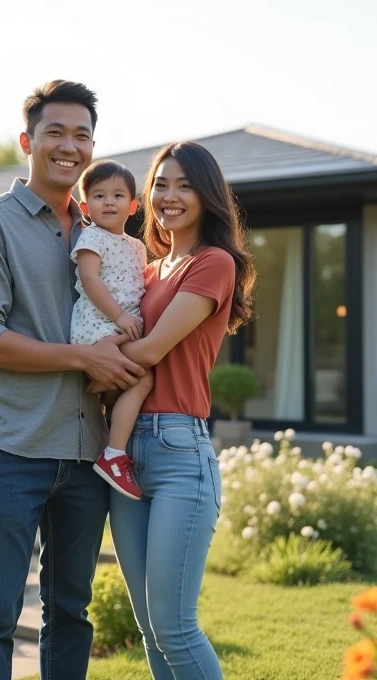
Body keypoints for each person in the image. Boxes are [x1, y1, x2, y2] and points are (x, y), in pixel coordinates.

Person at [0, 80, 144, 680]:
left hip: (87, 454)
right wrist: (82, 359)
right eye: (55, 132)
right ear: (27, 140)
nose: (69, 145)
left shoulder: (105, 230)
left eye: (82, 134)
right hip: (11, 448)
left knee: (70, 612)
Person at [106, 141, 257, 679]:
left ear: (207, 194)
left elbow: (148, 351)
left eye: (184, 185)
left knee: (174, 625)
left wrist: (87, 355)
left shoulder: (213, 263)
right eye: (161, 184)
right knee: (149, 626)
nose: (168, 197)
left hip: (177, 451)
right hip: (125, 452)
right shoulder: (149, 271)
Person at [70, 160, 152, 501]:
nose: (109, 202)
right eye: (100, 196)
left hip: (122, 327)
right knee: (144, 378)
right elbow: (90, 280)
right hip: (98, 326)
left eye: (118, 195)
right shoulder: (91, 237)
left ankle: (112, 439)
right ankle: (114, 455)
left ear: (132, 205)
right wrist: (119, 317)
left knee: (126, 388)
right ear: (86, 208)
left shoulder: (137, 247)